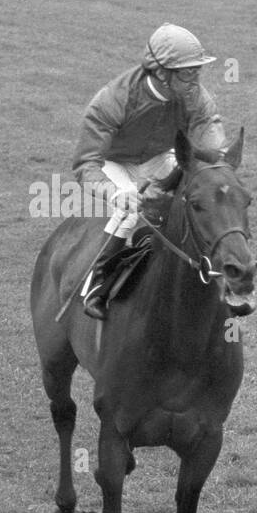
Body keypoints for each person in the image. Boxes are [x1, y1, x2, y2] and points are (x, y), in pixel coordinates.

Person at [72, 23, 226, 319]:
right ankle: (98, 283)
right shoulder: (113, 100)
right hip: (113, 162)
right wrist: (115, 191)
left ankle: (207, 273)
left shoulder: (194, 95)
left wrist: (215, 167)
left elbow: (208, 133)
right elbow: (86, 164)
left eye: (197, 70)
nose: (195, 79)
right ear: (162, 73)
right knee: (130, 208)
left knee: (194, 199)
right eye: (187, 72)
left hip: (156, 157)